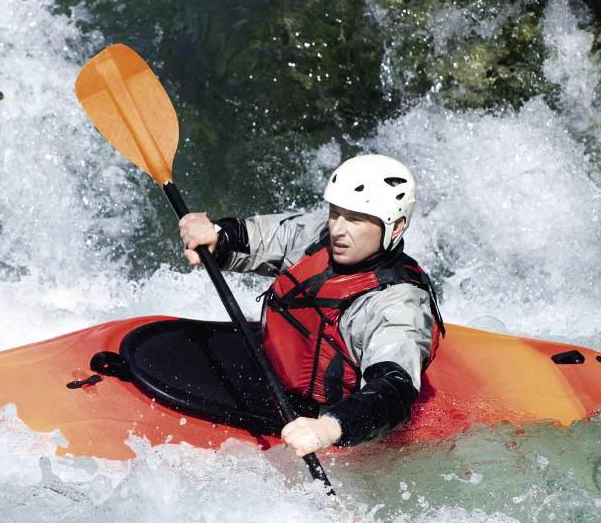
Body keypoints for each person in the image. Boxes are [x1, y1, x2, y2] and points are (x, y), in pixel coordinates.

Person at [178, 154, 444, 457]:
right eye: (335, 212)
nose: (338, 229)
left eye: (356, 219)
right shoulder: (324, 235)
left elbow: (393, 389)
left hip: (328, 421)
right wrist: (216, 235)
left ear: (395, 227)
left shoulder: (398, 305)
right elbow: (260, 238)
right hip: (272, 373)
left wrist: (328, 428)